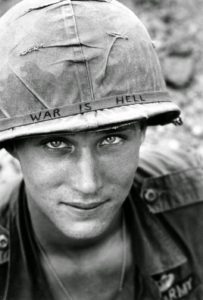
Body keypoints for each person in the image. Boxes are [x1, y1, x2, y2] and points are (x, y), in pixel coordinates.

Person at [0, 0, 202, 299]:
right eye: (56, 143)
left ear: (143, 132)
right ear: (13, 147)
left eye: (112, 140)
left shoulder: (193, 203)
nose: (88, 183)